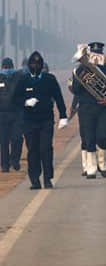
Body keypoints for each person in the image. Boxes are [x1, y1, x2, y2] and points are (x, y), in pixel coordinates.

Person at [13, 52, 67, 189]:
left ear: (42, 65)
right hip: (29, 121)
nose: (35, 66)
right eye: (32, 64)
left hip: (46, 120)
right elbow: (15, 99)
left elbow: (59, 97)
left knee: (46, 149)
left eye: (38, 64)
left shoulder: (49, 79)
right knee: (33, 150)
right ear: (29, 65)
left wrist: (63, 116)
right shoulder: (23, 80)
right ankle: (35, 180)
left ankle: (48, 178)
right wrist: (25, 102)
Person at [70, 42, 106, 179]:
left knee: (103, 136)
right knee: (89, 137)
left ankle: (102, 163)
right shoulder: (80, 70)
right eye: (94, 54)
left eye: (99, 54)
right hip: (86, 108)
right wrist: (81, 79)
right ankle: (91, 168)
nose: (96, 57)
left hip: (104, 107)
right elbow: (75, 90)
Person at [0, 57, 25, 173]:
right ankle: (5, 165)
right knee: (4, 141)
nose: (7, 69)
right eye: (5, 67)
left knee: (17, 139)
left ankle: (14, 160)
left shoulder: (19, 77)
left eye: (8, 67)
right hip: (2, 114)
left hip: (17, 113)